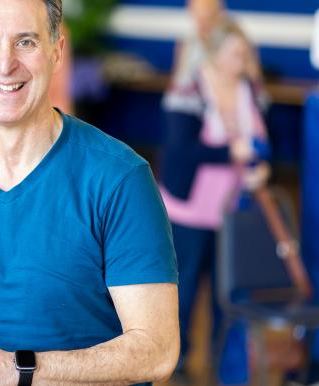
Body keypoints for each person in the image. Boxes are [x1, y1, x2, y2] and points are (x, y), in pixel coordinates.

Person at [0, 1, 180, 385]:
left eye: (25, 41)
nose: (6, 63)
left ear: (56, 50)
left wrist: (15, 368)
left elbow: (157, 350)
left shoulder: (119, 179)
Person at [160, 19, 271, 385]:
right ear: (217, 53)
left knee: (228, 292)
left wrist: (260, 168)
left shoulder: (248, 90)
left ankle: (224, 366)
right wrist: (230, 152)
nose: (244, 60)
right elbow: (179, 151)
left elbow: (261, 143)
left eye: (245, 53)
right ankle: (176, 364)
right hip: (190, 211)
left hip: (233, 213)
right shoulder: (189, 89)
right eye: (237, 53)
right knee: (185, 288)